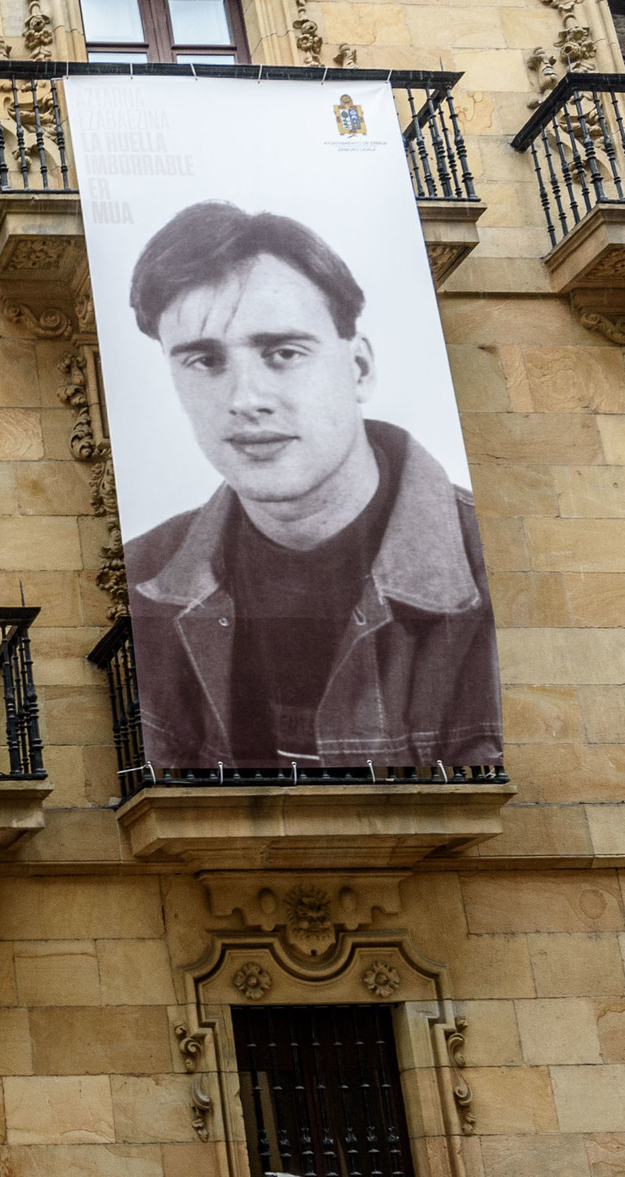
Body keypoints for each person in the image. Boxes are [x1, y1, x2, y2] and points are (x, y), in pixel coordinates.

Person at [117, 200, 500, 771]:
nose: (246, 399)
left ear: (360, 368)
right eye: (204, 361)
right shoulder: (141, 577)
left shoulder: (490, 564)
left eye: (284, 353)